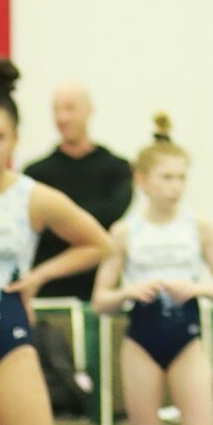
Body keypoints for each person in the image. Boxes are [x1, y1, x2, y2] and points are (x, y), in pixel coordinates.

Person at [0, 57, 111, 425]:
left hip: (6, 344)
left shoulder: (33, 198)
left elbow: (98, 243)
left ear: (14, 140)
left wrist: (38, 277)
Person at [92, 116, 213, 425]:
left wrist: (197, 288)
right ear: (142, 180)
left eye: (181, 178)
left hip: (186, 340)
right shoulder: (125, 233)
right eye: (166, 178)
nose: (175, 187)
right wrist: (128, 292)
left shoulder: (197, 226)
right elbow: (100, 301)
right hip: (142, 340)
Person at [25, 80, 132, 300]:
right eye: (57, 110)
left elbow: (111, 215)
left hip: (100, 286)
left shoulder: (117, 169)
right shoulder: (35, 173)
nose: (62, 117)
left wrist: (57, 220)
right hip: (48, 288)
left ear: (89, 110)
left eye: (70, 108)